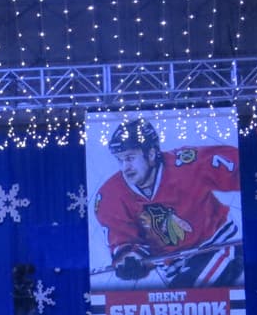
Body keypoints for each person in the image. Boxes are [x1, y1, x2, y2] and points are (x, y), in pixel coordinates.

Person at [92, 118, 243, 289]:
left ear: (150, 154)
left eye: (130, 158)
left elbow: (240, 167)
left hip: (215, 246)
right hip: (173, 268)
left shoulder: (186, 166)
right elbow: (126, 243)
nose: (125, 167)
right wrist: (130, 261)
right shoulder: (111, 195)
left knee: (188, 295)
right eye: (120, 160)